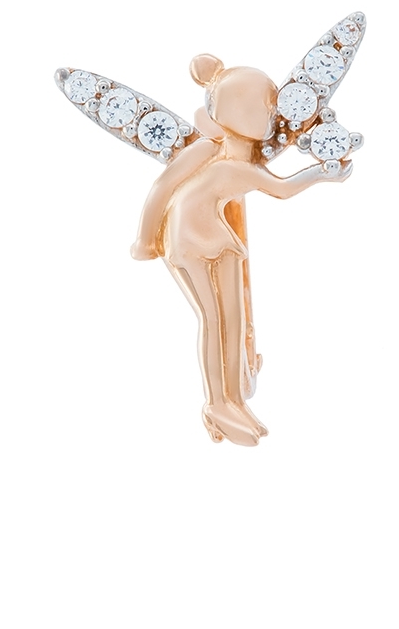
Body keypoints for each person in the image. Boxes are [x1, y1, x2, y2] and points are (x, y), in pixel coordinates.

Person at [130, 54, 350, 445]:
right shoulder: (208, 151)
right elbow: (163, 188)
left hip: (220, 238)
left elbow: (274, 185)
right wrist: (146, 240)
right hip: (188, 240)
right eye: (262, 107)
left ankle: (234, 399)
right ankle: (217, 403)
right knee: (214, 320)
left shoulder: (245, 159)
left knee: (231, 318)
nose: (270, 115)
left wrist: (322, 170)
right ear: (236, 112)